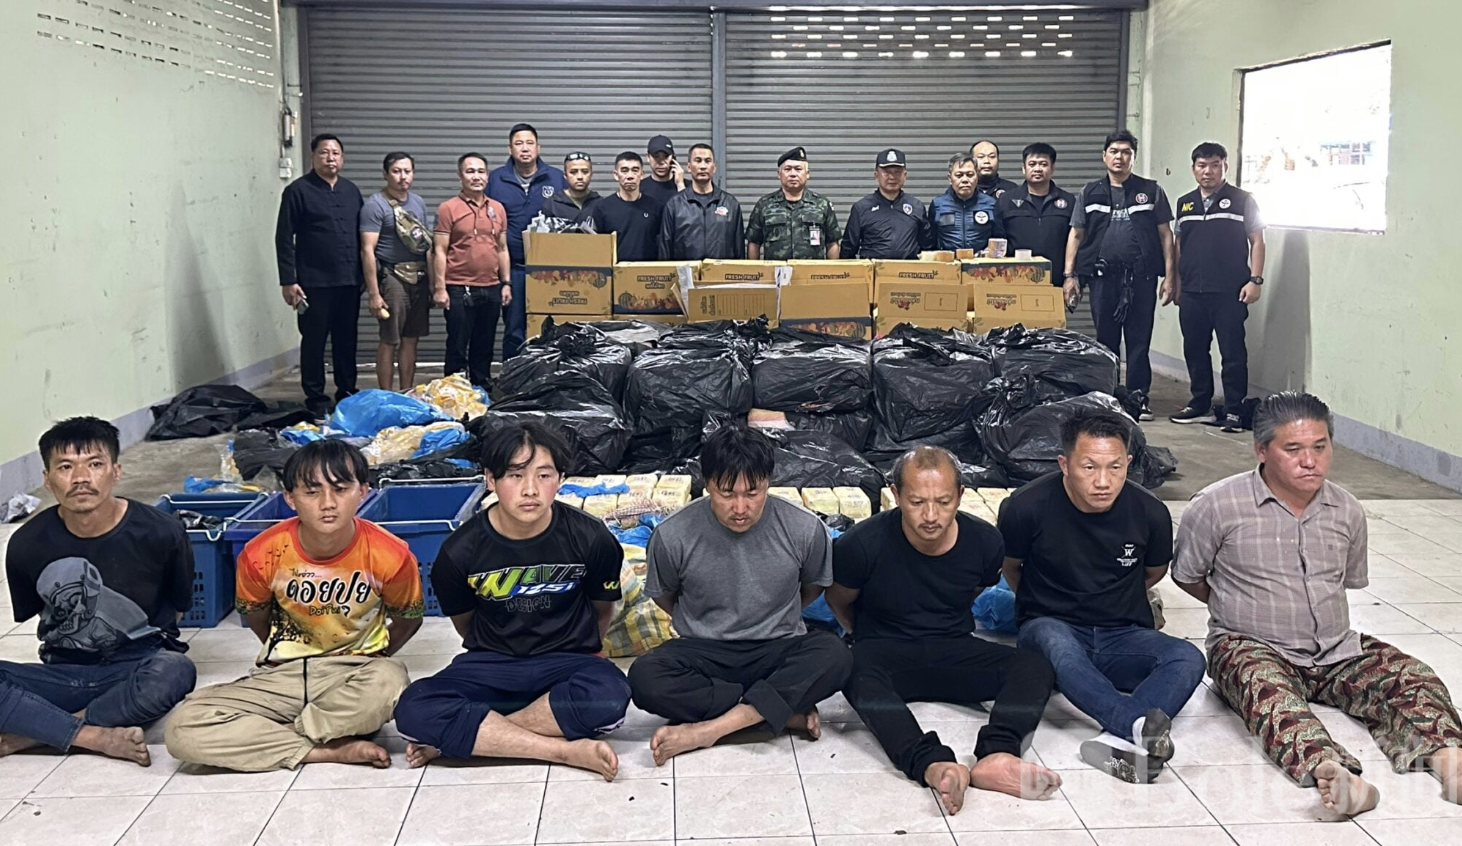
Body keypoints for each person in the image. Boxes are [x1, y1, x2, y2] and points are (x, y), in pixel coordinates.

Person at [1174, 392, 1462, 815]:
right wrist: (1239, 608)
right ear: (1261, 450)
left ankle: (1451, 765)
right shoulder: (1217, 506)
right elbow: (1187, 575)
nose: (1310, 461)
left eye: (1320, 447)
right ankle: (1336, 774)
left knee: (1412, 677)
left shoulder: (1346, 510)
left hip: (1335, 650)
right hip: (1250, 646)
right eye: (1293, 449)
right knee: (1271, 698)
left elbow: (1345, 581)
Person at [827, 446, 1061, 816]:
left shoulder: (985, 542)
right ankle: (932, 764)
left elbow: (975, 589)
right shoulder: (861, 544)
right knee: (851, 667)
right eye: (917, 502)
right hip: (885, 653)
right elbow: (839, 600)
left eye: (943, 501)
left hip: (954, 649)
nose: (931, 515)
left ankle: (998, 754)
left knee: (1034, 666)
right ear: (896, 494)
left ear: (961, 496)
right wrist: (865, 637)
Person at [165, 440, 423, 772]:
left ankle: (280, 735)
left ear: (363, 491)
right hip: (281, 676)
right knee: (182, 727)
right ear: (290, 498)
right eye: (311, 492)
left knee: (390, 680)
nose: (328, 504)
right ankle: (326, 747)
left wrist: (372, 657)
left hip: (354, 672)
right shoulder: (261, 553)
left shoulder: (392, 554)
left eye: (341, 489)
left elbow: (408, 620)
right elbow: (256, 616)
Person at [394, 423, 631, 780]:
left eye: (544, 475)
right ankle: (562, 751)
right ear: (490, 479)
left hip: (567, 661)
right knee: (414, 709)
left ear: (561, 479)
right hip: (492, 664)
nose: (530, 489)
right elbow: (465, 624)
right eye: (515, 475)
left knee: (609, 695)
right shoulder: (458, 553)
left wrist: (580, 652)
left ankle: (476, 736)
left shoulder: (590, 536)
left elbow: (602, 610)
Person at [999, 410, 1205, 784]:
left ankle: (1115, 739)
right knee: (1055, 641)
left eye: (1115, 467)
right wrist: (1042, 606)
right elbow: (1011, 567)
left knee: (1188, 656)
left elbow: (1153, 572)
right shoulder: (1025, 506)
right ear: (1065, 464)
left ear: (1128, 463)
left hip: (1121, 634)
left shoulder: (1150, 513)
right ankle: (1134, 723)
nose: (1103, 481)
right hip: (1050, 629)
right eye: (1089, 467)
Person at [628, 425, 852, 766]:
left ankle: (712, 730)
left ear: (768, 483)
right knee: (645, 677)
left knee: (835, 654)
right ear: (707, 484)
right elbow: (666, 596)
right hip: (705, 652)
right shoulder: (673, 535)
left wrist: (777, 617)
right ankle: (775, 712)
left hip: (776, 647)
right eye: (727, 493)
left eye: (753, 492)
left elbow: (812, 586)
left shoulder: (804, 528)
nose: (740, 507)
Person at [1, 417, 196, 766]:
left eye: (94, 464)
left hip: (136, 667)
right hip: (62, 673)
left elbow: (177, 608)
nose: (81, 478)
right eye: (65, 467)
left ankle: (37, 731)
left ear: (115, 471)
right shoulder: (26, 543)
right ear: (47, 479)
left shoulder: (161, 531)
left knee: (176, 670)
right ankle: (94, 736)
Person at [1065, 130, 1176, 420]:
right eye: (1114, 151)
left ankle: (1138, 398)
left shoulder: (1151, 191)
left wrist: (1170, 277)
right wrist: (1070, 275)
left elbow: (1166, 235)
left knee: (1139, 341)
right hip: (1102, 278)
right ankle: (1108, 395)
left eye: (1126, 152)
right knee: (1106, 340)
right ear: (1104, 156)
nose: (1120, 157)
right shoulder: (1090, 192)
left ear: (1133, 158)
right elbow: (1076, 234)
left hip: (1140, 278)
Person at [1169, 142, 1267, 430]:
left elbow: (1257, 241)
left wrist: (1255, 280)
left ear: (1225, 166)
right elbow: (1178, 245)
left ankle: (1234, 409)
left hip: (1230, 291)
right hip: (1192, 292)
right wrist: (1175, 281)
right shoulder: (1185, 203)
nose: (1208, 171)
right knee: (1195, 349)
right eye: (1202, 165)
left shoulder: (1243, 200)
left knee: (1232, 352)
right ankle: (1200, 404)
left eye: (1214, 165)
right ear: (1193, 169)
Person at [276, 133, 365, 417]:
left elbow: (362, 237)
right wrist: (288, 280)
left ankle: (347, 391)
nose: (330, 158)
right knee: (314, 341)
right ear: (313, 156)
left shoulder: (351, 191)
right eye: (324, 153)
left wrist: (366, 277)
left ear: (342, 158)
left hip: (349, 281)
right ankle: (315, 397)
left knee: (346, 339)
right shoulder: (298, 191)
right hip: (313, 282)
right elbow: (283, 238)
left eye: (335, 153)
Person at [487, 123, 567, 361]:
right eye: (518, 143)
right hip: (513, 268)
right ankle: (513, 374)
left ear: (538, 147)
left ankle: (546, 374)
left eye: (529, 143)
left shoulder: (556, 178)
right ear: (510, 149)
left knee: (550, 327)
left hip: (550, 270)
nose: (524, 148)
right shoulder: (496, 180)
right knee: (514, 328)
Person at [432, 153, 511, 392]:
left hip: (491, 288)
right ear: (460, 176)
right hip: (459, 288)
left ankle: (481, 389)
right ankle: (454, 391)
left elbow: (502, 248)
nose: (476, 176)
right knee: (457, 345)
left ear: (487, 176)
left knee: (484, 345)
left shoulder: (497, 208)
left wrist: (506, 283)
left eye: (480, 171)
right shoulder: (448, 208)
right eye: (470, 171)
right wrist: (439, 288)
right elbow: (439, 250)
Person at [360, 151, 434, 392]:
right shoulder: (375, 205)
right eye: (396, 171)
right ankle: (385, 394)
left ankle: (406, 392)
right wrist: (374, 294)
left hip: (419, 277)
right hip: (392, 278)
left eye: (407, 171)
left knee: (411, 339)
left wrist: (434, 285)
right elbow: (367, 250)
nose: (403, 177)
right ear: (385, 174)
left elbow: (425, 245)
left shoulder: (418, 202)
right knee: (390, 340)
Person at [997, 143, 1077, 283]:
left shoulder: (1069, 202)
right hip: (1014, 280)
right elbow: (997, 240)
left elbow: (1076, 241)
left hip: (1056, 280)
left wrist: (1071, 277)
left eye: (1043, 164)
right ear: (1023, 168)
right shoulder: (1006, 201)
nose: (1037, 169)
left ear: (1052, 168)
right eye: (1032, 164)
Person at [746, 147, 841, 260]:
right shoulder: (764, 205)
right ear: (779, 174)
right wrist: (754, 270)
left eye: (798, 169)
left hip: (812, 271)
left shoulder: (822, 204)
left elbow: (832, 244)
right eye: (787, 169)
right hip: (775, 271)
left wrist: (832, 270)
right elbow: (754, 243)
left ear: (807, 174)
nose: (793, 174)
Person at [657, 143, 746, 261]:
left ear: (714, 167)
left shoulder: (730, 204)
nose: (703, 166)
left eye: (707, 161)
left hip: (720, 272)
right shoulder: (674, 205)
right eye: (698, 161)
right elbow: (665, 250)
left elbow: (739, 249)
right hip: (686, 272)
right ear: (689, 167)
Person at [840, 148, 931, 260]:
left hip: (909, 270)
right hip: (874, 270)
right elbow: (847, 251)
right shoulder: (861, 208)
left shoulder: (917, 207)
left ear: (905, 175)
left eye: (897, 172)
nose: (892, 177)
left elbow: (928, 247)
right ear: (876, 175)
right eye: (886, 172)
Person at [590, 152, 663, 263]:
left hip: (648, 271)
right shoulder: (602, 207)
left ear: (642, 174)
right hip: (615, 271)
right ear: (616, 175)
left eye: (635, 170)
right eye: (624, 171)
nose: (630, 176)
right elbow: (597, 248)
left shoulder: (655, 207)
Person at [928, 153, 1004, 254]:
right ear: (950, 178)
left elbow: (1000, 238)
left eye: (970, 175)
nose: (965, 180)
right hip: (948, 261)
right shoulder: (938, 205)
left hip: (980, 262)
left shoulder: (991, 204)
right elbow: (930, 241)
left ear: (977, 176)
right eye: (959, 175)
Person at [540, 151, 602, 228]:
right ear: (565, 176)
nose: (580, 177)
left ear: (591, 175)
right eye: (573, 172)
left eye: (585, 172)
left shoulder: (600, 204)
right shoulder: (552, 205)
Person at [640, 134, 685, 206]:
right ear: (648, 157)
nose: (661, 162)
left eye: (666, 156)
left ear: (673, 158)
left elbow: (690, 212)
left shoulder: (687, 186)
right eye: (656, 156)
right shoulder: (640, 187)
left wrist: (680, 185)